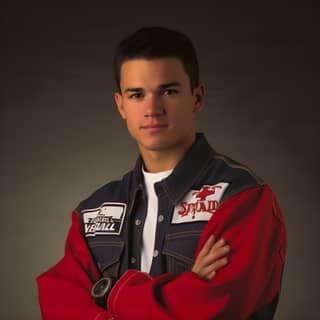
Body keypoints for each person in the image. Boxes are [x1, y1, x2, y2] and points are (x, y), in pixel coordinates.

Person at [37, 27, 287, 320]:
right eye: (137, 95)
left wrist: (112, 296)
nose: (152, 109)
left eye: (168, 91)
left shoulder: (242, 198)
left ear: (197, 97)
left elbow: (211, 309)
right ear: (121, 105)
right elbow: (58, 303)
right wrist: (183, 287)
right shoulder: (93, 211)